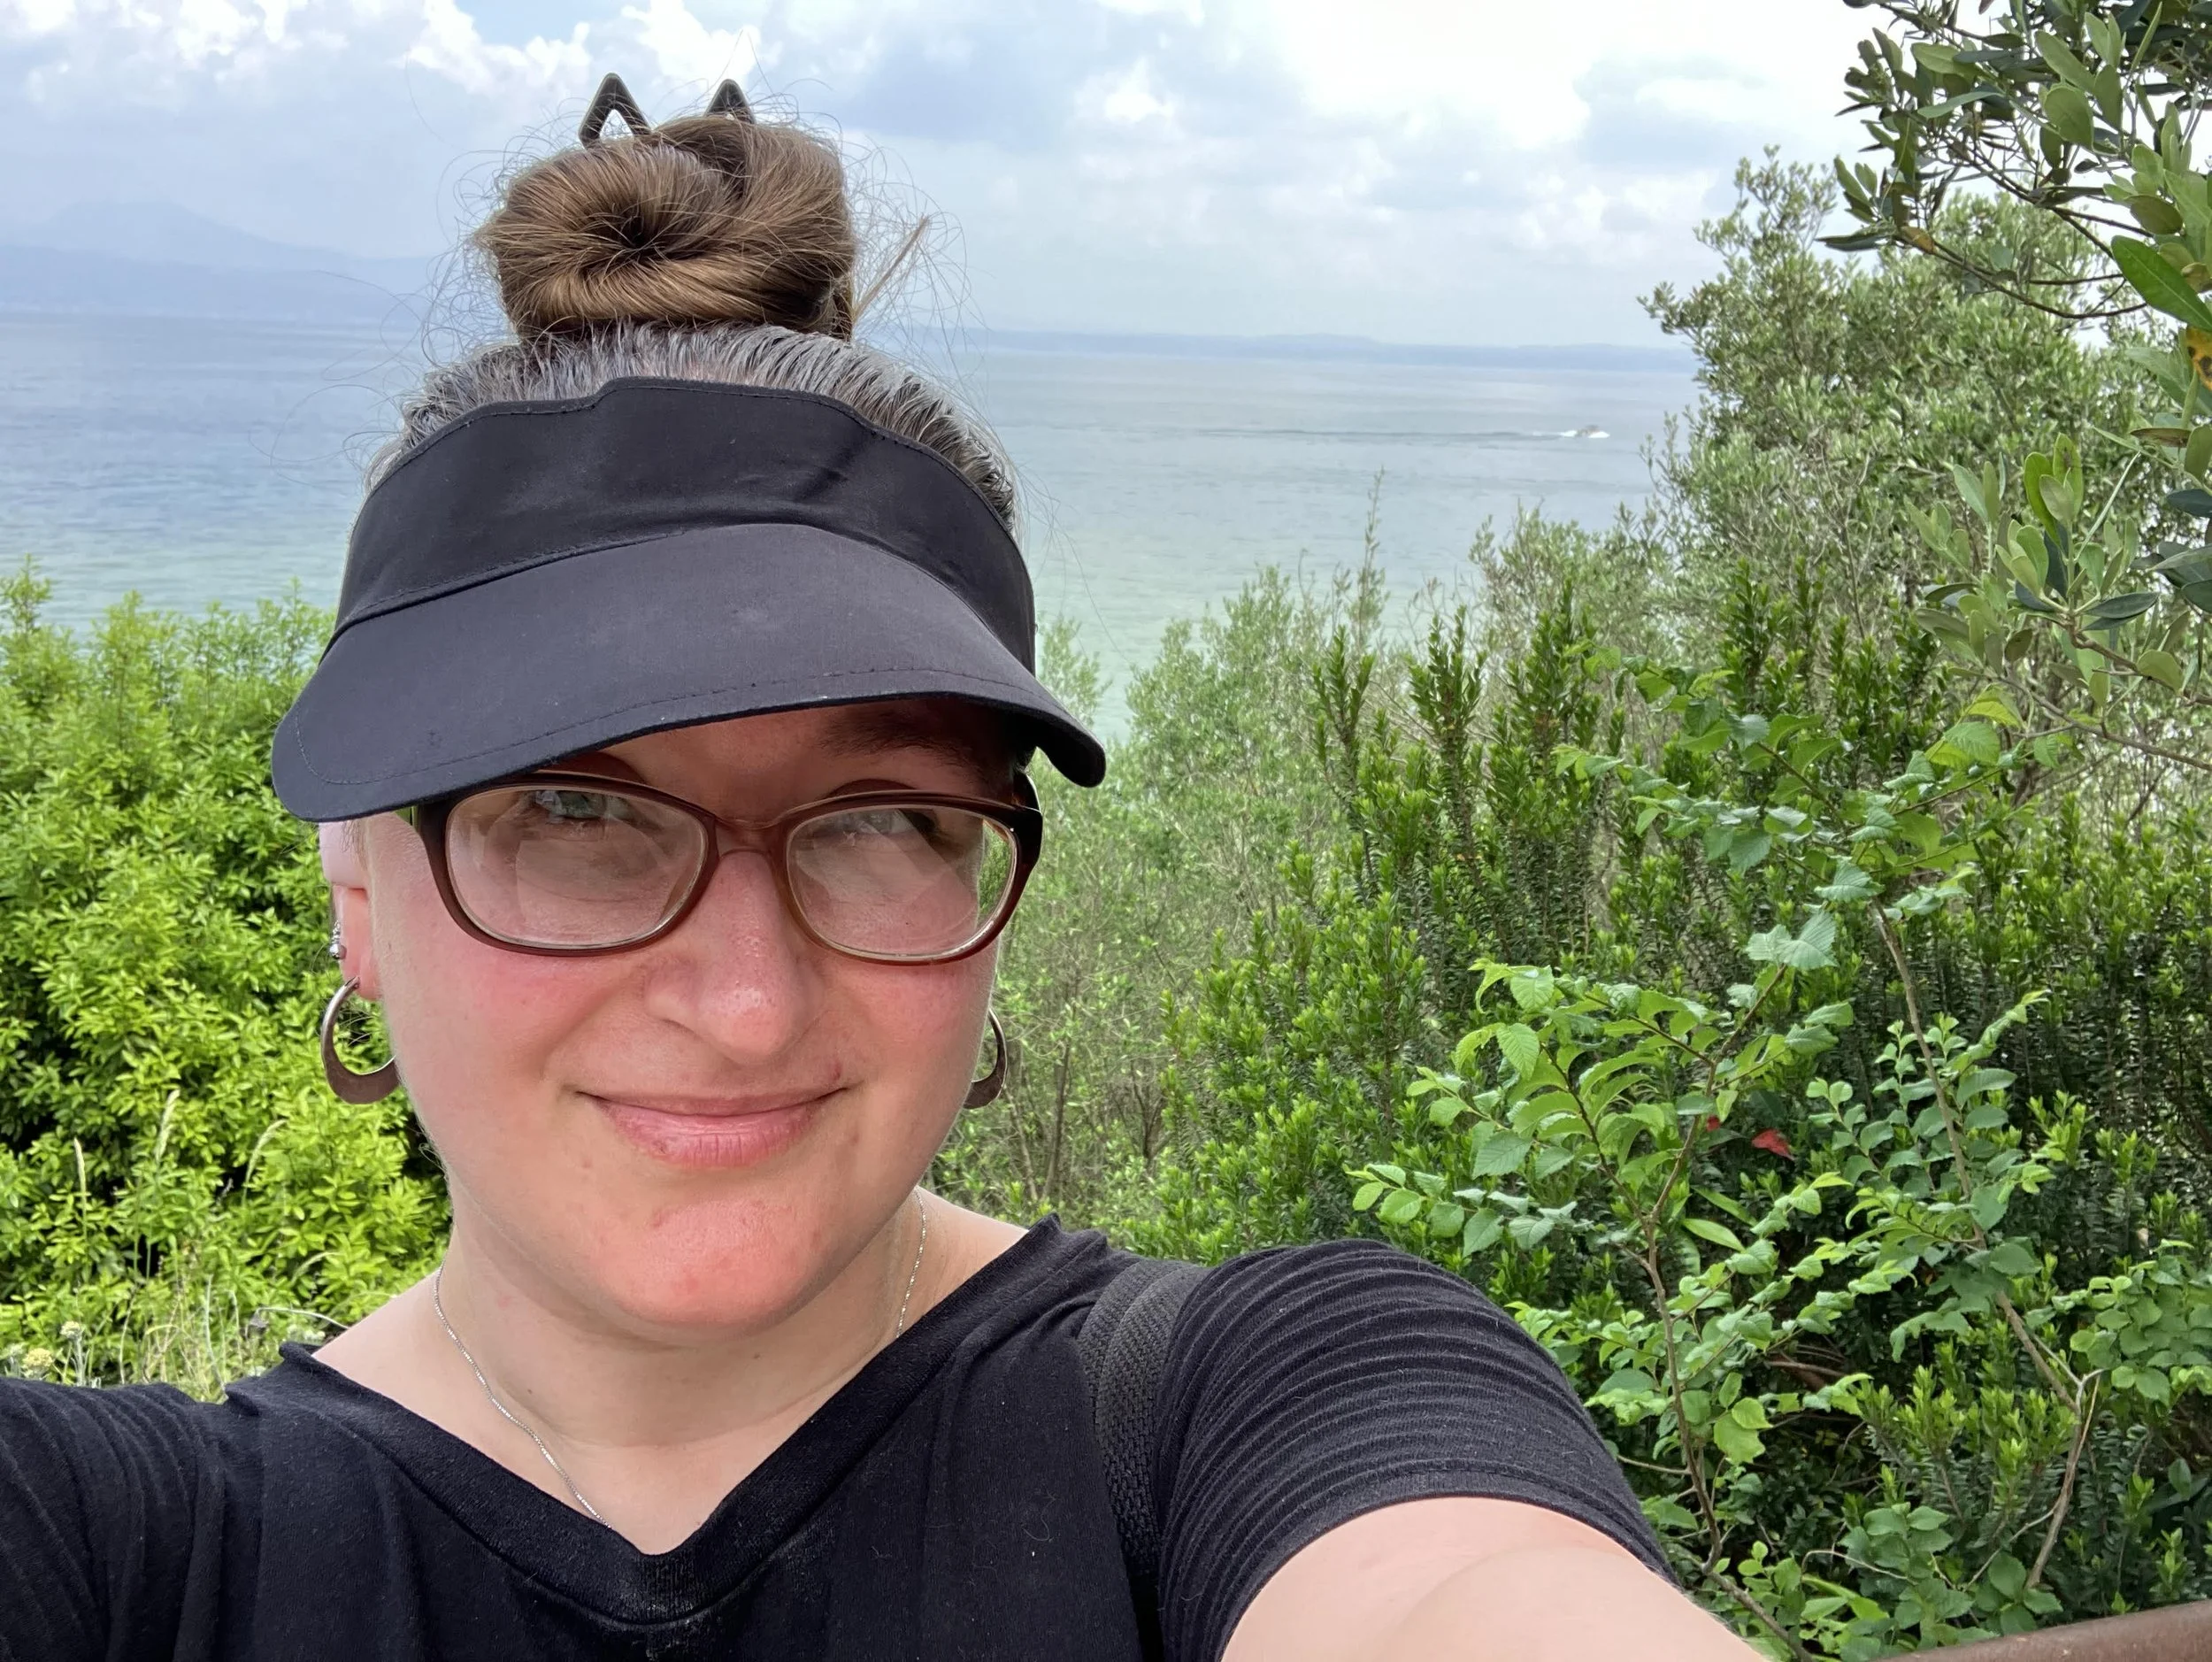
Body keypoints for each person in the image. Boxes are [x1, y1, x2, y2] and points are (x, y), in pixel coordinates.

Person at [0, 77, 1758, 1662]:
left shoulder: (1249, 1402)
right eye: (579, 816)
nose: (747, 1003)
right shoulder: (119, 1550)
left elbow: (1454, 1590)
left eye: (882, 821)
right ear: (358, 895)